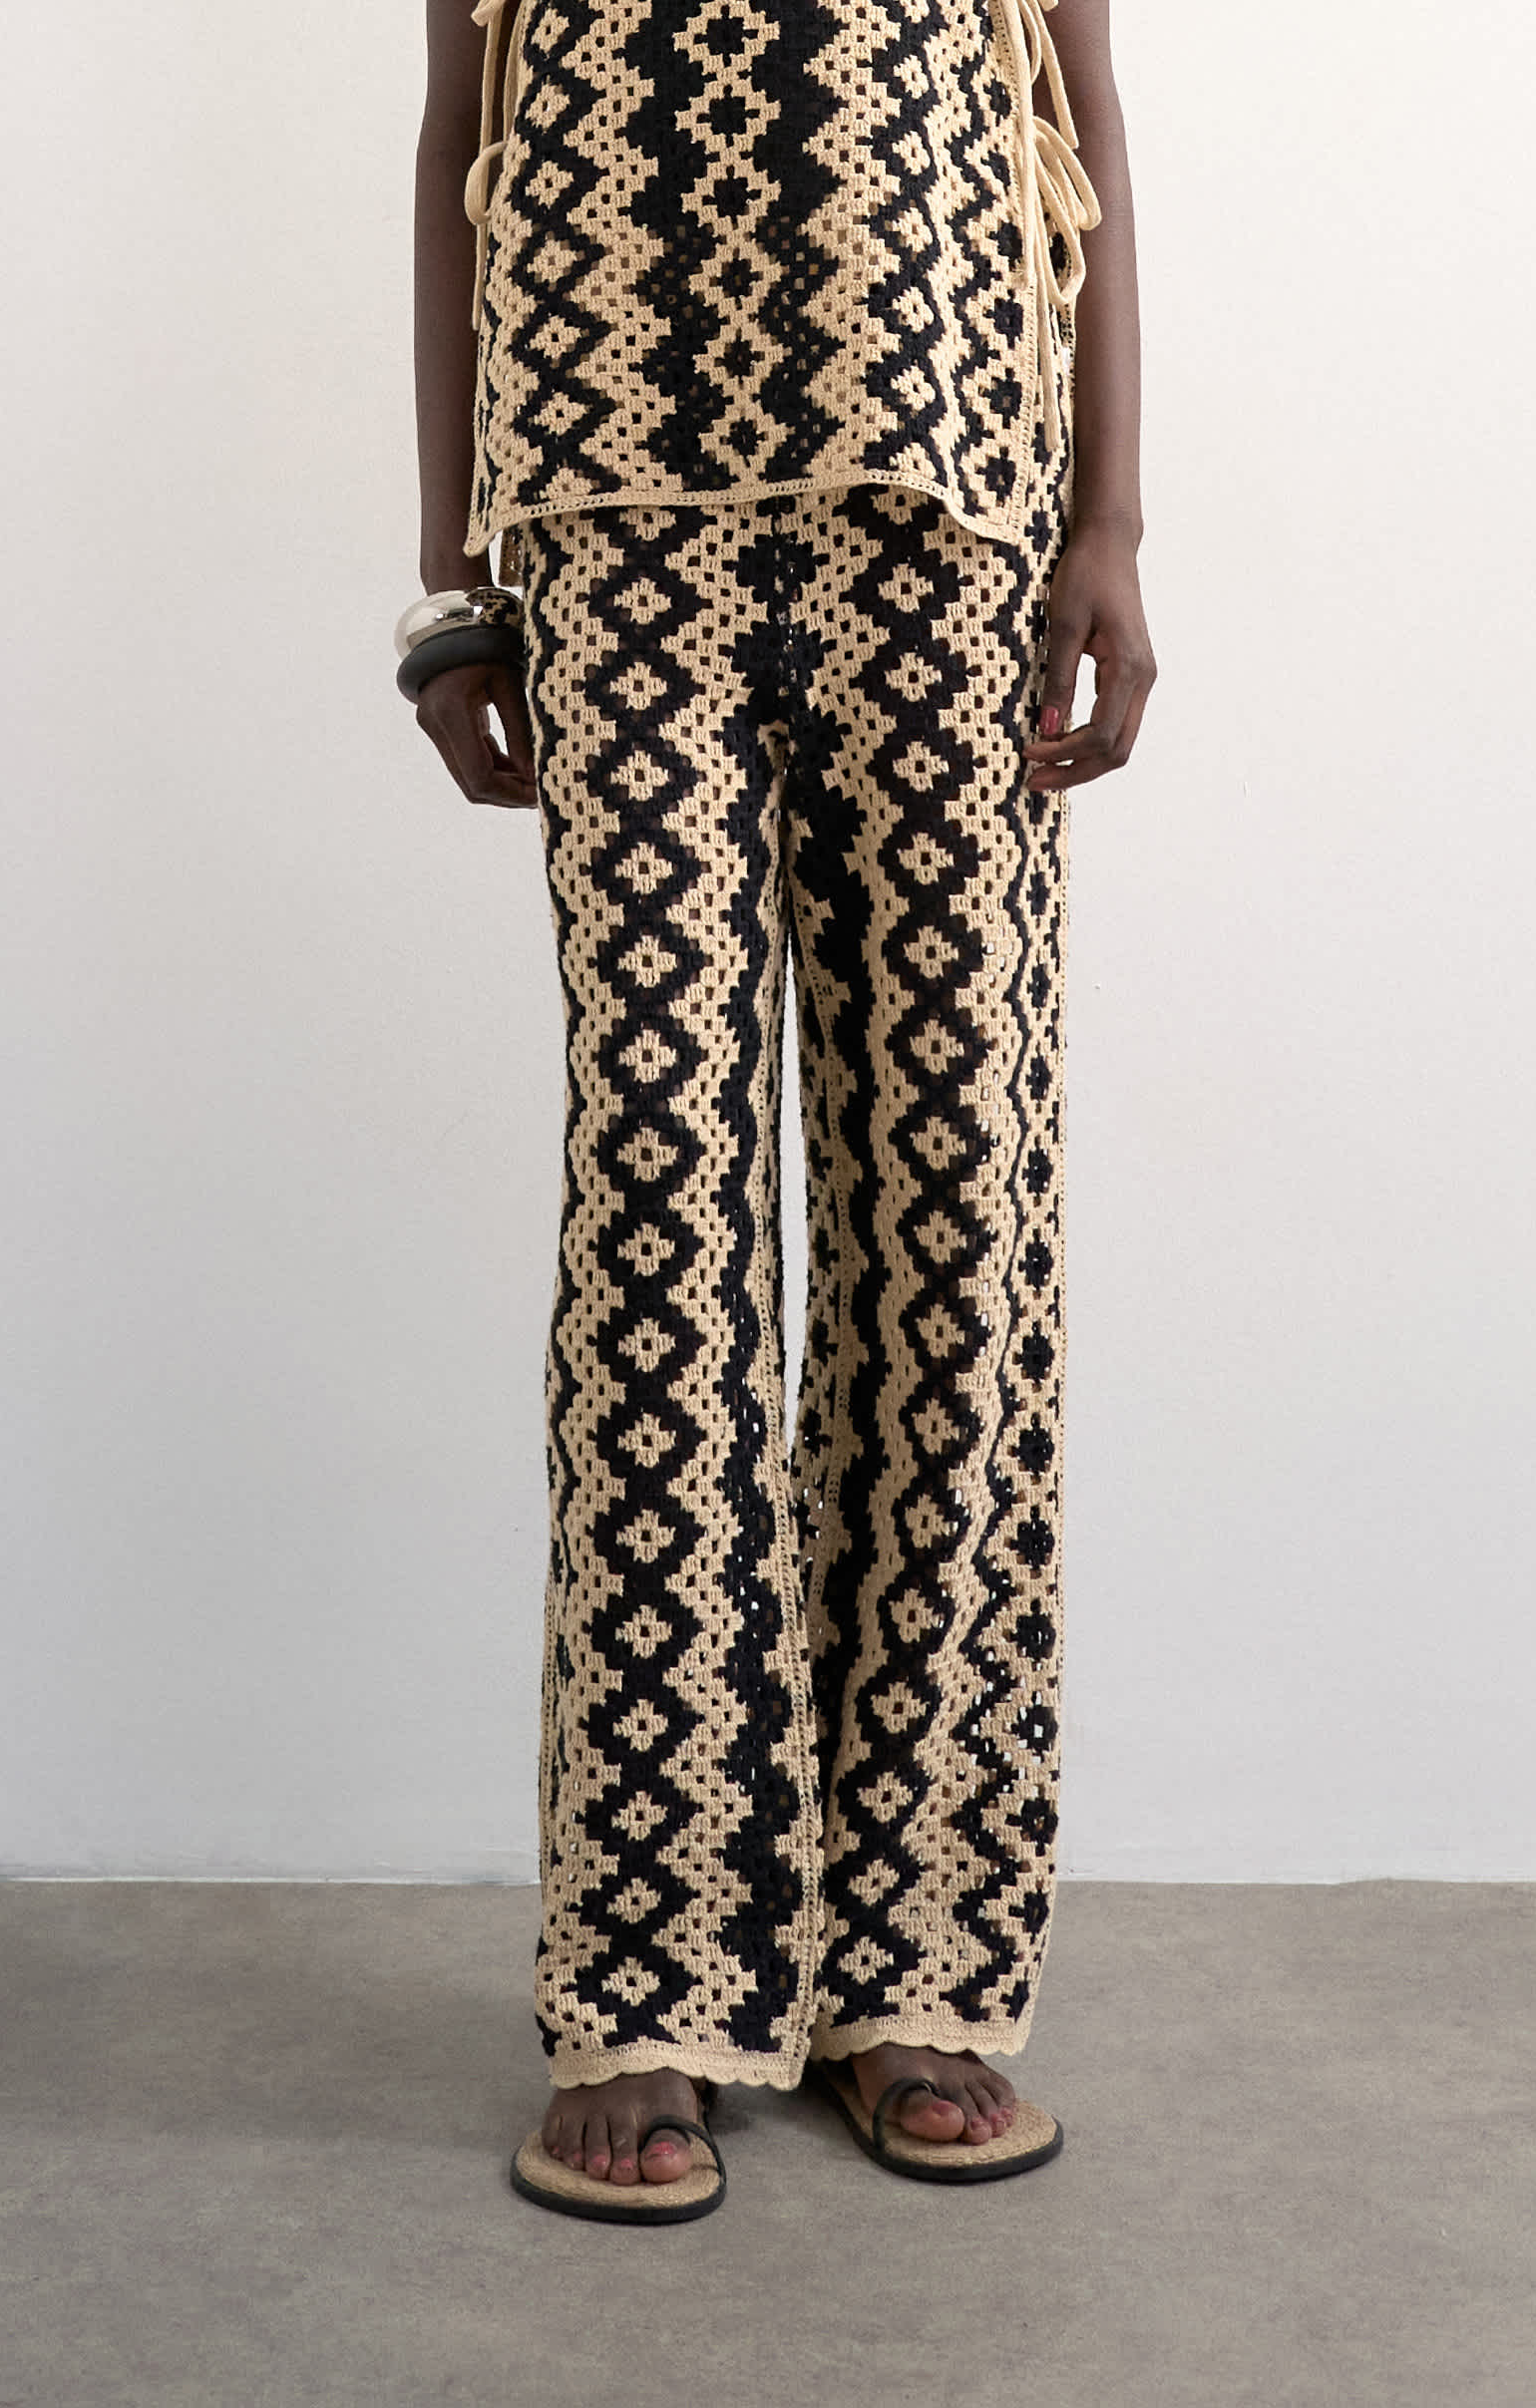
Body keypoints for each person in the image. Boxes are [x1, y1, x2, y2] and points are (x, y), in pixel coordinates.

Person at [400, 0, 1153, 2222]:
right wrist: (454, 584)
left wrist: (1110, 524)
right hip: (614, 546)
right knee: (662, 1229)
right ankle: (648, 1977)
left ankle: (914, 1958)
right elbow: (456, 139)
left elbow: (1084, 118)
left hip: (950, 532)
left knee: (959, 1213)